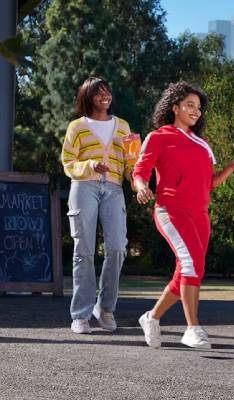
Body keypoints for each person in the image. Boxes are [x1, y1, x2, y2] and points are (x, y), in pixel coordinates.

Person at [132, 82, 234, 349]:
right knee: (191, 265)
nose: (196, 111)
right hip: (171, 211)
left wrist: (230, 168)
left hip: (199, 214)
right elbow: (139, 171)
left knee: (188, 270)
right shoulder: (159, 137)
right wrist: (141, 187)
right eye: (189, 105)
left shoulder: (202, 144)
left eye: (198, 107)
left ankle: (152, 317)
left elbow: (209, 184)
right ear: (174, 108)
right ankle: (192, 328)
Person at [61, 77, 138, 334]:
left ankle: (104, 308)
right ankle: (80, 315)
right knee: (84, 250)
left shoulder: (123, 126)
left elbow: (131, 163)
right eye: (98, 93)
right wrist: (90, 165)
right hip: (84, 187)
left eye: (107, 92)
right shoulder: (77, 127)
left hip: (114, 189)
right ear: (88, 97)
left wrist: (137, 181)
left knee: (117, 248)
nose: (105, 96)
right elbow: (68, 163)